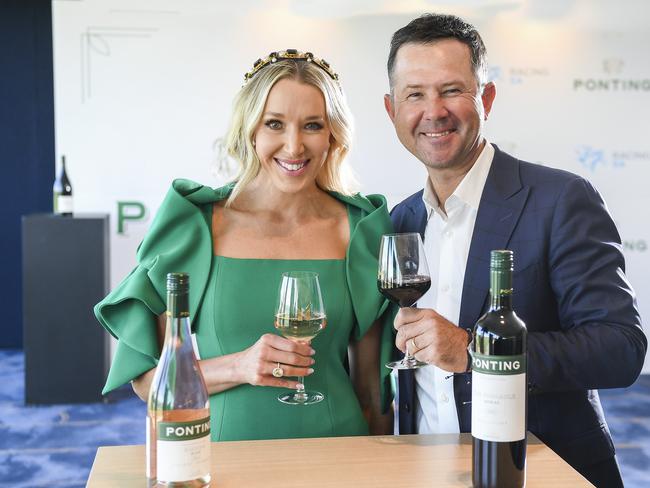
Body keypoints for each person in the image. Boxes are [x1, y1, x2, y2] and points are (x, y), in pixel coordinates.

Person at [383, 13, 646, 488]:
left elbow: (620, 348)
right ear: (392, 110)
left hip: (540, 471)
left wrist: (476, 350)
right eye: (415, 94)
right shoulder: (401, 221)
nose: (434, 111)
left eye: (451, 90)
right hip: (421, 471)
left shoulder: (560, 199)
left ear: (486, 98)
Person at [95, 49, 395, 441]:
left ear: (333, 134)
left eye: (312, 125)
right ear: (250, 130)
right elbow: (149, 384)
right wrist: (239, 366)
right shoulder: (196, 225)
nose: (293, 146)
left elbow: (372, 395)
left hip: (339, 451)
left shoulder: (359, 228)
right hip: (227, 460)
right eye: (274, 124)